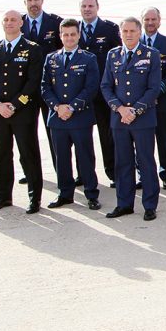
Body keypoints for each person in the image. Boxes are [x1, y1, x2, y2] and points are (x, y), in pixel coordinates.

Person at [0, 10, 44, 214]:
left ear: (21, 23)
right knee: (3, 154)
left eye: (13, 20)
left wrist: (15, 105)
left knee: (29, 154)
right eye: (6, 20)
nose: (9, 23)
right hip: (0, 112)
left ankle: (34, 198)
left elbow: (33, 81)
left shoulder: (32, 49)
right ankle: (3, 196)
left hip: (22, 112)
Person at [101, 17, 163, 221]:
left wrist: (134, 110)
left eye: (132, 31)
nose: (128, 35)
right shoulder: (113, 55)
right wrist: (119, 108)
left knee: (145, 162)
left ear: (139, 32)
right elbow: (106, 86)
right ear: (120, 33)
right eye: (125, 31)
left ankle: (149, 205)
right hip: (119, 119)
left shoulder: (151, 55)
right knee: (122, 163)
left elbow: (153, 88)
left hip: (143, 119)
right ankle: (124, 203)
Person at [40, 19, 101, 211]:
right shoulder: (51, 58)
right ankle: (65, 194)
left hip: (80, 117)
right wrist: (58, 107)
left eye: (73, 34)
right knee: (62, 159)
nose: (69, 38)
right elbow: (45, 86)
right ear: (60, 36)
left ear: (79, 35)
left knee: (85, 157)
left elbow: (91, 87)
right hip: (58, 118)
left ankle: (91, 194)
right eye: (65, 34)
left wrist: (72, 107)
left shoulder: (88, 58)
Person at [79, 0, 121, 186]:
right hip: (80, 94)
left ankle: (113, 172)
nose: (87, 9)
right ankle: (83, 173)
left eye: (90, 6)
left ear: (98, 7)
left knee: (108, 135)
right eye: (84, 6)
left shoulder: (109, 29)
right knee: (81, 137)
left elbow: (117, 60)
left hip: (103, 93)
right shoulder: (72, 30)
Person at [21, 0, 62, 170]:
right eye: (29, 0)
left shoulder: (54, 23)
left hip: (49, 88)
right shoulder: (18, 23)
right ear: (25, 3)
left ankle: (59, 169)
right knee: (26, 132)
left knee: (53, 132)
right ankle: (30, 171)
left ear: (42, 1)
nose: (33, 4)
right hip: (26, 89)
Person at [141, 7, 166, 190]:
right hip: (139, 102)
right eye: (147, 19)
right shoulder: (134, 41)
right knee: (142, 140)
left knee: (164, 139)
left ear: (159, 20)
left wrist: (156, 91)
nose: (150, 23)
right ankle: (143, 174)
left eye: (153, 19)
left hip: (162, 100)